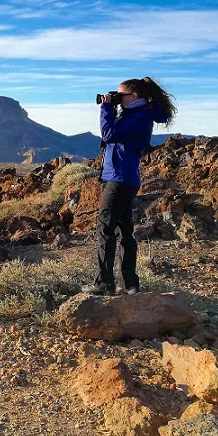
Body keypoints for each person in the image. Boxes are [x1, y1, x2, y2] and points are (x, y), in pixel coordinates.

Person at [83, 77, 177, 296]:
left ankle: (104, 283)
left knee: (105, 228)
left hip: (120, 179)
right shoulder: (133, 115)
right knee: (123, 231)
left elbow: (108, 135)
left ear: (134, 96)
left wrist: (106, 108)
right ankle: (130, 284)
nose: (116, 98)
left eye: (120, 95)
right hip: (122, 177)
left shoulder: (140, 117)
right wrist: (114, 108)